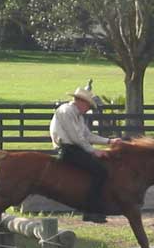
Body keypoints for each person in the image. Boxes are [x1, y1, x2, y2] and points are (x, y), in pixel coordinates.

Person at [50, 81, 120, 222]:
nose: (88, 109)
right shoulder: (66, 111)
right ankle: (91, 211)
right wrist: (94, 151)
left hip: (74, 148)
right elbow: (76, 137)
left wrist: (109, 141)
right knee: (100, 172)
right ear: (81, 102)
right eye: (88, 105)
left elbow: (87, 135)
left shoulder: (77, 116)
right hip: (68, 149)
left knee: (98, 169)